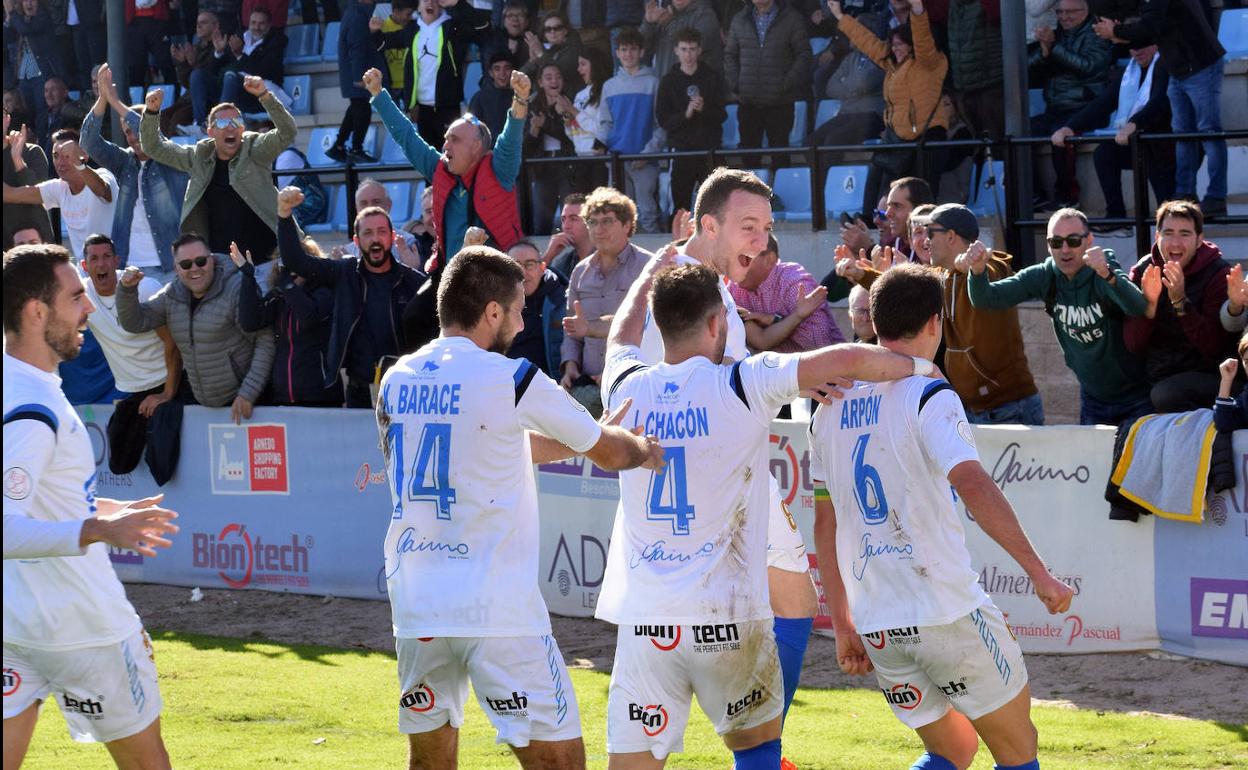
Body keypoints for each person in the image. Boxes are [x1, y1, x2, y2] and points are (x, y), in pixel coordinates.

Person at [599, 258, 925, 767]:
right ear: (716, 324)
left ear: (659, 326)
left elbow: (618, 336)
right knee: (757, 750)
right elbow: (845, 358)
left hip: (648, 624)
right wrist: (920, 368)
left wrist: (645, 277)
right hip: (729, 619)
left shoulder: (624, 385)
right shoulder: (742, 382)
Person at [374, 245, 662, 770]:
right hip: (494, 608)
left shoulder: (396, 379)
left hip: (417, 603)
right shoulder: (512, 377)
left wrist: (592, 437)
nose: (524, 319)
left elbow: (487, 446)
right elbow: (613, 453)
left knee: (430, 763)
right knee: (561, 764)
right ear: (491, 313)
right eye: (518, 308)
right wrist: (642, 447)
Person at [810, 262, 1074, 770]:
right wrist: (1038, 573)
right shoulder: (929, 393)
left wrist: (842, 621)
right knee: (1018, 751)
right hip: (944, 608)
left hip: (879, 621)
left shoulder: (828, 408)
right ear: (936, 321)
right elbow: (973, 483)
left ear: (875, 322)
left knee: (954, 750)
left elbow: (826, 526)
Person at [633, 167, 821, 737]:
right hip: (714, 482)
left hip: (725, 477)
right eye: (747, 226)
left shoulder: (699, 282)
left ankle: (763, 742)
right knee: (772, 610)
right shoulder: (675, 287)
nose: (760, 241)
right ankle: (761, 744)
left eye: (765, 228)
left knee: (793, 601)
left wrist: (789, 378)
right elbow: (664, 384)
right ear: (707, 224)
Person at [3, 242, 180, 770]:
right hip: (84, 628)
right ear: (37, 312)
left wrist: (103, 513)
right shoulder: (34, 408)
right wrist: (96, 528)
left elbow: (37, 498)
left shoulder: (18, 386)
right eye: (76, 296)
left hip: (13, 624)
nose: (87, 308)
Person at [967, 208, 1152, 425]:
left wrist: (1107, 273)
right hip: (1093, 399)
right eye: (1056, 242)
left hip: (1137, 398)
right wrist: (977, 272)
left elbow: (1137, 306)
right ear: (1048, 245)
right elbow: (987, 299)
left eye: (1073, 241)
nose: (1065, 249)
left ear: (1089, 240)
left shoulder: (1102, 268)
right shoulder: (1045, 276)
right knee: (1095, 460)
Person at [276, 186, 426, 409]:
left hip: (406, 392)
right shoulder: (344, 273)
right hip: (360, 392)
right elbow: (296, 261)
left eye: (382, 232)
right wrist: (284, 215)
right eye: (368, 233)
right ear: (356, 241)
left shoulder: (414, 282)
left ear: (393, 237)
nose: (375, 239)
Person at [367, 65, 529, 262]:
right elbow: (406, 136)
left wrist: (520, 98)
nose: (445, 145)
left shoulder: (500, 169)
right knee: (419, 294)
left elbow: (510, 138)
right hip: (451, 280)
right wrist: (378, 94)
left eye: (455, 139)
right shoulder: (439, 168)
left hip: (500, 281)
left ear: (476, 146)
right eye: (446, 139)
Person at [116, 232, 275, 424]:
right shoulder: (171, 295)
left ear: (212, 260)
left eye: (201, 261)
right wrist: (126, 289)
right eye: (186, 264)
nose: (194, 268)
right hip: (203, 405)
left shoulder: (237, 288)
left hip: (247, 404)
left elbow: (265, 341)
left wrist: (248, 393)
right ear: (176, 269)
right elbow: (134, 322)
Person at [139, 77, 297, 261]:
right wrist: (151, 113)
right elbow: (153, 147)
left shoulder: (254, 148)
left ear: (243, 128)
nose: (231, 128)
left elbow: (287, 132)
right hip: (221, 264)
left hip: (266, 260)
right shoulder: (200, 156)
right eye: (222, 124)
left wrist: (264, 95)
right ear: (210, 131)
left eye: (236, 122)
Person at [1094, 0, 1228, 216]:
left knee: (1208, 132)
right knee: (1183, 134)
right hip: (1178, 67)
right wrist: (1115, 30)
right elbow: (1145, 24)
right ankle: (1184, 195)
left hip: (1200, 64)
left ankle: (1216, 196)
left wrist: (1116, 30)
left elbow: (1150, 25)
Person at [826, 0, 948, 215]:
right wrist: (840, 17)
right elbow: (869, 43)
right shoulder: (892, 64)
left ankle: (919, 235)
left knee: (921, 197)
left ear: (911, 45)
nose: (895, 49)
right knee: (877, 176)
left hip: (927, 137)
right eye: (893, 45)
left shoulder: (929, 62)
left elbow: (923, 37)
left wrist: (918, 8)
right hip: (898, 137)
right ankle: (869, 220)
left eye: (900, 44)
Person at [81, 64, 188, 285]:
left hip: (170, 267)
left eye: (135, 130)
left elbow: (149, 133)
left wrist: (116, 102)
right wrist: (103, 99)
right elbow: (88, 142)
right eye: (127, 132)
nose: (133, 136)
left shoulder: (171, 157)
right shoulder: (124, 162)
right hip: (129, 267)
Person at [1124, 199, 1235, 413]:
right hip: (1156, 375)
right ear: (1157, 237)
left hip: (1208, 376)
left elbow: (1213, 348)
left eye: (1185, 234)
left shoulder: (1217, 273)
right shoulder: (1143, 271)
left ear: (1199, 240)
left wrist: (1180, 301)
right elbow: (1133, 344)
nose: (1175, 243)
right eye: (1168, 233)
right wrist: (1150, 304)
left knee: (1165, 395)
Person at [1049, 44, 1173, 223]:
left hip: (1165, 144)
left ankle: (1170, 224)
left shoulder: (1166, 65)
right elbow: (1103, 103)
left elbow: (1160, 102)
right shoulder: (1128, 73)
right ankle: (1116, 217)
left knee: (1168, 202)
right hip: (1138, 142)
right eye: (1132, 46)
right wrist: (1070, 127)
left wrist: (1135, 123)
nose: (1137, 51)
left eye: (1143, 44)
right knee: (1105, 153)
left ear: (1156, 44)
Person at [559, 186, 654, 414]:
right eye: (593, 222)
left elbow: (654, 329)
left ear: (627, 224)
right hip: (587, 388)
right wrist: (570, 366)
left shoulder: (648, 267)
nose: (599, 229)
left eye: (607, 221)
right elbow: (572, 329)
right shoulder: (580, 272)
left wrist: (614, 373)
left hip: (636, 383)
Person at [234, 233, 344, 407]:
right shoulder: (280, 295)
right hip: (284, 396)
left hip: (321, 397)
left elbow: (309, 317)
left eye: (297, 264)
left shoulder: (325, 292)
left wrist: (288, 285)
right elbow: (250, 322)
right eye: (285, 264)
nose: (292, 270)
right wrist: (248, 277)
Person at [1028, 0, 1111, 209]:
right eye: (1060, 12)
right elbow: (1029, 70)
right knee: (1020, 131)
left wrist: (1054, 47)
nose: (1064, 17)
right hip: (1056, 107)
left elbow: (1087, 67)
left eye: (1070, 12)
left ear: (1085, 10)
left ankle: (1067, 196)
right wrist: (1045, 51)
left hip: (1086, 106)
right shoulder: (1058, 34)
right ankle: (1034, 195)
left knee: (1061, 135)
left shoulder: (1097, 33)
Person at [2, 127, 117, 259]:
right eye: (56, 156)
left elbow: (102, 191)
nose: (60, 162)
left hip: (117, 269)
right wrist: (17, 157)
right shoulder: (58, 187)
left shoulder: (103, 175)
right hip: (85, 273)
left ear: (84, 154)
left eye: (67, 155)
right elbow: (9, 194)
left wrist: (78, 164)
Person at [730, 233, 845, 353]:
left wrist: (775, 321)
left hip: (829, 368)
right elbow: (760, 342)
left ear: (769, 260)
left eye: (745, 258)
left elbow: (819, 346)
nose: (735, 264)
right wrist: (788, 320)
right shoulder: (734, 290)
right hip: (780, 371)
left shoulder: (794, 283)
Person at [655, 26, 726, 214]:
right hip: (681, 150)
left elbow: (722, 115)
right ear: (676, 51)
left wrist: (704, 109)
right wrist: (685, 115)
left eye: (693, 49)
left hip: (708, 148)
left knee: (713, 205)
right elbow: (663, 120)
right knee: (681, 206)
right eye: (684, 49)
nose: (688, 54)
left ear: (699, 50)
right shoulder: (668, 81)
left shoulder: (712, 77)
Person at [399, 0, 489, 148]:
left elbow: (482, 24)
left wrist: (457, 4)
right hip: (422, 108)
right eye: (425, 0)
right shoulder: (411, 30)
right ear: (419, 6)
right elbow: (383, 43)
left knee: (451, 152)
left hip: (447, 105)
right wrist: (411, 103)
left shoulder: (453, 27)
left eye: (435, 0)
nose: (430, 3)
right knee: (429, 158)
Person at [724, 0, 812, 150]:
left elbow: (804, 55)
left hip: (780, 103)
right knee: (749, 161)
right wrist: (737, 85)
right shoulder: (739, 19)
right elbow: (729, 55)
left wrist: (785, 84)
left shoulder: (791, 18)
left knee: (780, 158)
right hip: (748, 102)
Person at [603, 27, 662, 234]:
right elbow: (605, 123)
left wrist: (647, 153)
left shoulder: (653, 83)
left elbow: (660, 124)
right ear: (617, 53)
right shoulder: (609, 86)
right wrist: (607, 153)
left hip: (645, 159)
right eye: (624, 49)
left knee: (647, 212)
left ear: (642, 52)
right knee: (618, 214)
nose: (628, 54)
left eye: (633, 49)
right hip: (617, 159)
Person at [524, 62, 578, 236]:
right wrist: (534, 130)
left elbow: (571, 137)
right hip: (542, 167)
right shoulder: (531, 105)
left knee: (570, 220)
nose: (554, 81)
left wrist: (545, 123)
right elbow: (526, 147)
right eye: (548, 77)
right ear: (540, 82)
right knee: (541, 222)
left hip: (566, 166)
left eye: (558, 77)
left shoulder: (570, 101)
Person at [329, 0, 385, 164]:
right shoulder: (358, 15)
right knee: (362, 110)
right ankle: (356, 148)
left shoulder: (356, 11)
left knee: (356, 108)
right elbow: (357, 47)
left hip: (354, 71)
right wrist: (359, 76)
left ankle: (338, 146)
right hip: (357, 72)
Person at [505, 239, 566, 377]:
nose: (522, 273)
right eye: (515, 265)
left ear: (542, 268)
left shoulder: (561, 301)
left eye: (529, 265)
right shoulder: (492, 306)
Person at [218, 7, 288, 115]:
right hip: (235, 88)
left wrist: (240, 55)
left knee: (230, 77)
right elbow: (221, 66)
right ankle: (199, 122)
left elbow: (262, 71)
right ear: (248, 23)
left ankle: (221, 120)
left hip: (259, 92)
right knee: (199, 76)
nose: (256, 27)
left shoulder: (276, 42)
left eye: (261, 24)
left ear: (269, 26)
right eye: (253, 23)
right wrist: (219, 52)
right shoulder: (239, 38)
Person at [565, 45, 613, 192]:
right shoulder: (580, 95)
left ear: (596, 64)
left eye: (583, 64)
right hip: (580, 158)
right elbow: (573, 134)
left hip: (600, 160)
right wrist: (567, 121)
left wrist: (573, 111)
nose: (579, 69)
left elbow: (601, 128)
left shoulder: (607, 90)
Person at [341, 178, 422, 265]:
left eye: (376, 202)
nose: (370, 207)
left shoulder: (409, 243)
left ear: (389, 205)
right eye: (364, 203)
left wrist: (412, 270)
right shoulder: (347, 252)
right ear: (357, 209)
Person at [3, 108, 53, 247]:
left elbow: (39, 195)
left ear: (7, 119)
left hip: (37, 246)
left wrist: (17, 159)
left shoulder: (32, 152)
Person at [640, 0, 723, 83]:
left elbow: (696, 44)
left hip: (697, 89)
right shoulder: (663, 15)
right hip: (667, 88)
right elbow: (641, 50)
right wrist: (648, 24)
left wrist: (669, 23)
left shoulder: (706, 16)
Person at [521, 10, 583, 98]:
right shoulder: (547, 51)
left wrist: (540, 54)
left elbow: (560, 72)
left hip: (568, 99)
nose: (552, 32)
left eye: (557, 28)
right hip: (542, 102)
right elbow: (517, 80)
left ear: (565, 30)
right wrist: (532, 61)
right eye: (548, 29)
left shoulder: (575, 49)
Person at [469, 51, 518, 142]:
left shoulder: (519, 97)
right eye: (497, 69)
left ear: (513, 71)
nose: (502, 73)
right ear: (491, 73)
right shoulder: (479, 98)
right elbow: (472, 130)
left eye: (506, 68)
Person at [544, 192, 592, 282]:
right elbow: (534, 288)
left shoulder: (608, 258)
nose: (566, 226)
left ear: (590, 223)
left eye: (573, 219)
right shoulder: (565, 261)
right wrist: (548, 256)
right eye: (563, 219)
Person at [35, 76, 86, 156]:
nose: (49, 94)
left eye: (53, 90)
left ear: (65, 92)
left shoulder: (73, 114)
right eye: (46, 91)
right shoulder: (41, 117)